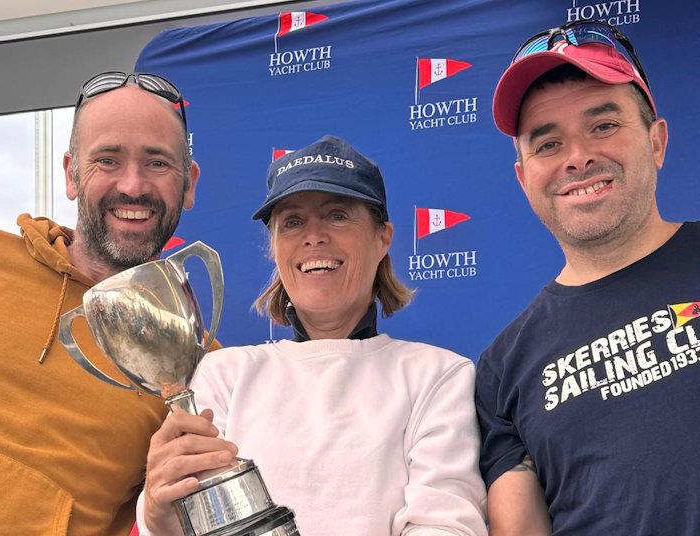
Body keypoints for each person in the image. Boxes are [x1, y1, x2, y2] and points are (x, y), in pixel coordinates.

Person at [476, 20, 700, 536]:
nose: (578, 157)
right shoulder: (503, 367)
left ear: (656, 141)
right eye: (547, 144)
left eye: (604, 126)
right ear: (524, 178)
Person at [137, 135, 488, 536]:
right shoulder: (224, 373)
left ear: (383, 237)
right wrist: (159, 517)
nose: (314, 236)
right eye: (292, 222)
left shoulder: (438, 374)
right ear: (274, 248)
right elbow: (193, 517)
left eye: (337, 215)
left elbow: (445, 524)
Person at [0, 72, 202, 535]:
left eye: (158, 163)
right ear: (70, 174)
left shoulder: (201, 363)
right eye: (108, 159)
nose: (133, 185)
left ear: (189, 184)